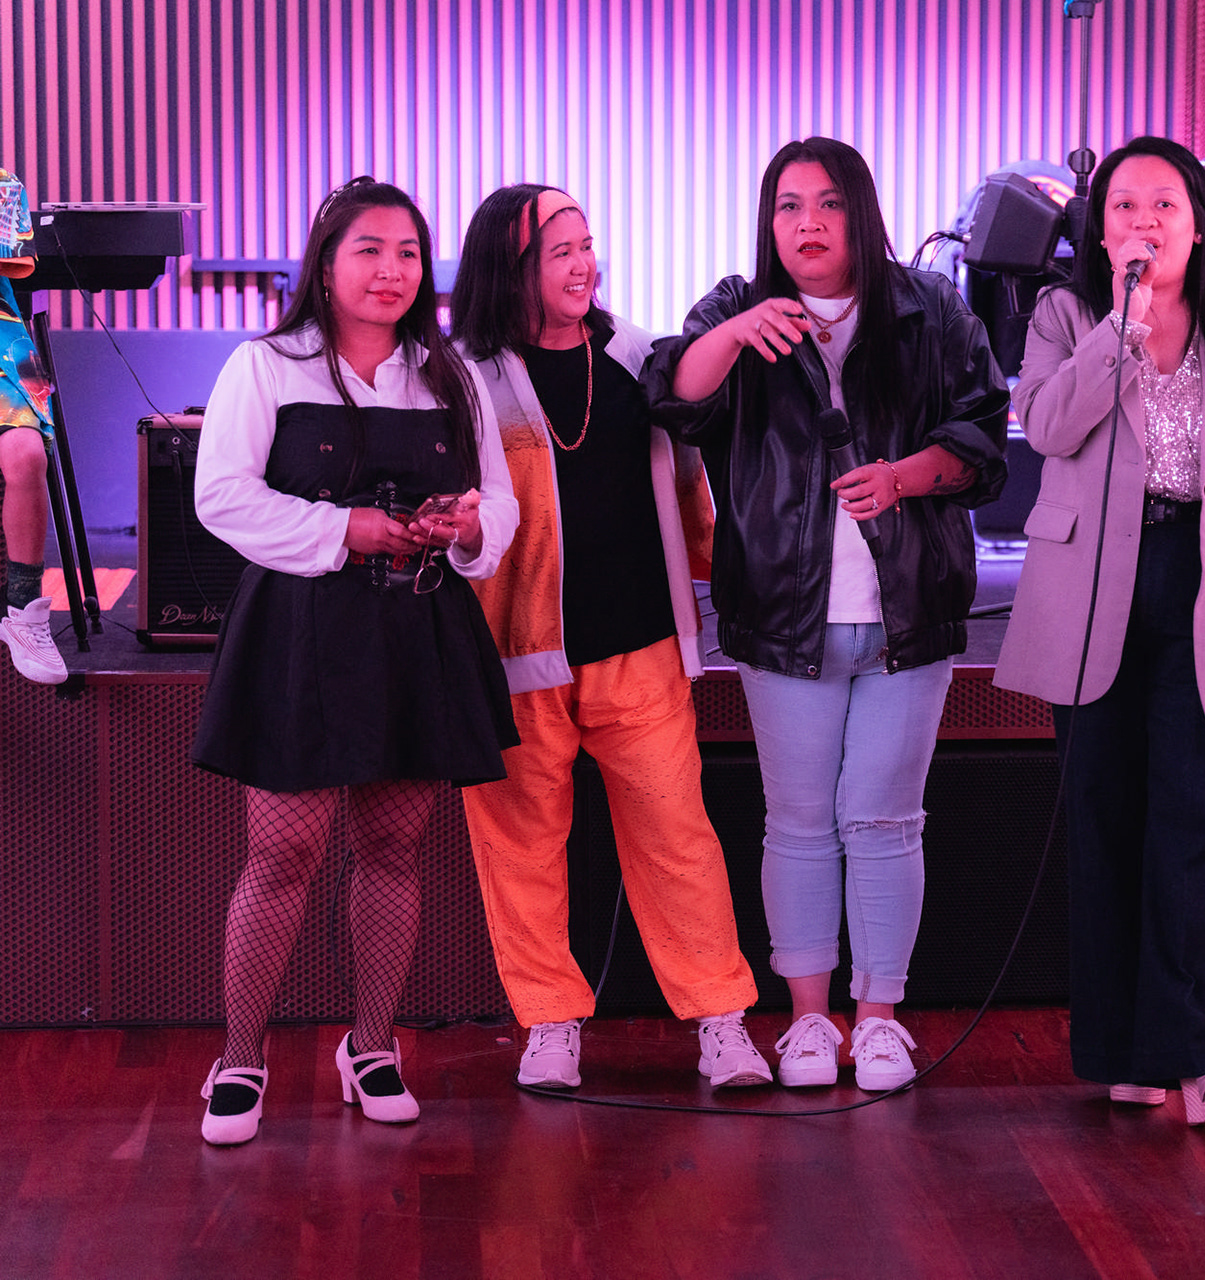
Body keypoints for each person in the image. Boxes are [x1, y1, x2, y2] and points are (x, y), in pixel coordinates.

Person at [645, 137, 1008, 1090]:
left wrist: (904, 478)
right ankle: (809, 1022)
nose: (808, 223)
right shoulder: (737, 310)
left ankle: (878, 1019)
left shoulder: (931, 309)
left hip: (909, 613)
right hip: (781, 616)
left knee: (885, 821)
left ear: (862, 212)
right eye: (789, 205)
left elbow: (983, 438)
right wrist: (738, 332)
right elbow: (676, 398)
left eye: (828, 203)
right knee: (799, 822)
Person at [994, 136, 1205, 1125]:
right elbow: (1046, 427)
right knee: (1107, 819)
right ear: (1099, 230)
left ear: (1202, 224)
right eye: (1124, 207)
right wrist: (1121, 328)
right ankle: (1129, 1053)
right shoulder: (1065, 317)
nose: (1144, 222)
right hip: (1093, 584)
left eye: (1164, 206)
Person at [190, 177, 520, 1145]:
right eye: (369, 250)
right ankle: (240, 1056)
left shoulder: (450, 374)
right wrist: (348, 529)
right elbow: (221, 497)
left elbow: (499, 503)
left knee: (391, 848)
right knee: (282, 852)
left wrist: (466, 527)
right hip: (298, 633)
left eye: (408, 252)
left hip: (416, 630)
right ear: (325, 264)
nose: (391, 270)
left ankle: (371, 1045)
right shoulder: (266, 365)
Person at [448, 184, 767, 1090]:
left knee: (678, 837)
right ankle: (549, 1020)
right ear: (511, 268)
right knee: (519, 847)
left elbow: (691, 485)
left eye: (587, 245)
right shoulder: (463, 377)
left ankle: (721, 1019)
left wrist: (726, 576)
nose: (584, 264)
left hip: (639, 641)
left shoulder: (636, 356)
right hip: (513, 651)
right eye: (561, 251)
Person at [0, 167, 67, 685]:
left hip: (2, 345)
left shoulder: (3, 185)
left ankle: (24, 614)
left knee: (26, 455)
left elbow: (12, 263)